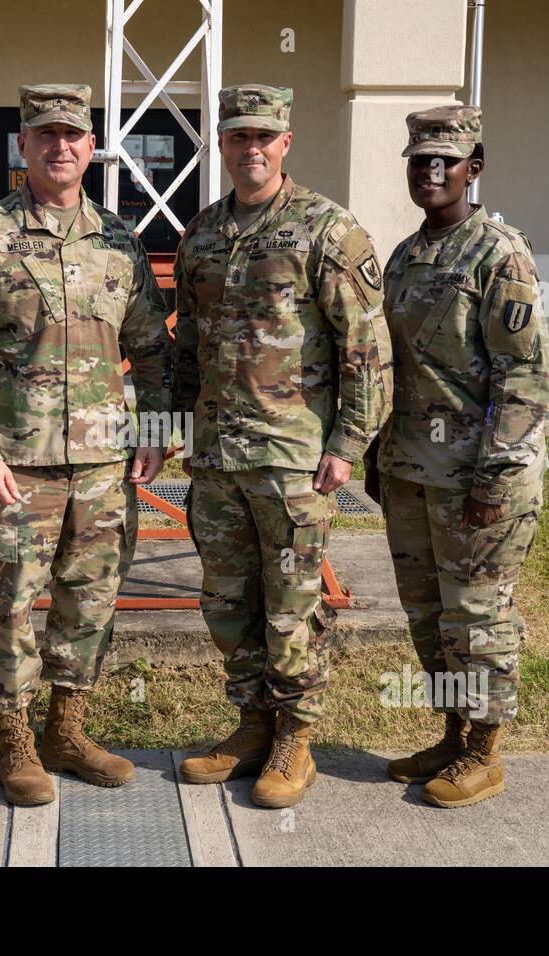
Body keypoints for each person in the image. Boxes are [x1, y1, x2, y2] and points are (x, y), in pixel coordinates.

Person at [0, 84, 171, 806]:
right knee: (4, 604)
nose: (60, 147)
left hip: (100, 466)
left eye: (73, 135)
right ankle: (14, 741)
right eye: (44, 135)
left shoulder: (118, 243)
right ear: (23, 146)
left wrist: (154, 430)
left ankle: (67, 728)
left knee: (87, 602)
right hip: (15, 467)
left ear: (92, 148)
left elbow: (153, 350)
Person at [173, 85, 392, 808]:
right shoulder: (201, 235)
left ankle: (296, 740)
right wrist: (172, 428)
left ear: (286, 142)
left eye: (263, 136)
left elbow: (364, 346)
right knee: (226, 603)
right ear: (222, 146)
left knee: (291, 605)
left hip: (294, 460)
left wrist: (349, 442)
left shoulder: (328, 230)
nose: (251, 149)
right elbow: (188, 348)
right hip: (217, 460)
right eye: (237, 137)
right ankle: (251, 724)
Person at [373, 105, 549, 808]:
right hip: (412, 468)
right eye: (421, 160)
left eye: (447, 161)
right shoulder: (405, 256)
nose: (432, 172)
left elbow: (524, 379)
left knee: (478, 615)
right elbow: (396, 366)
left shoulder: (499, 254)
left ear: (474, 169)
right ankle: (452, 733)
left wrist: (495, 477)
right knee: (429, 616)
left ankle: (485, 751)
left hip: (480, 474)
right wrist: (380, 453)